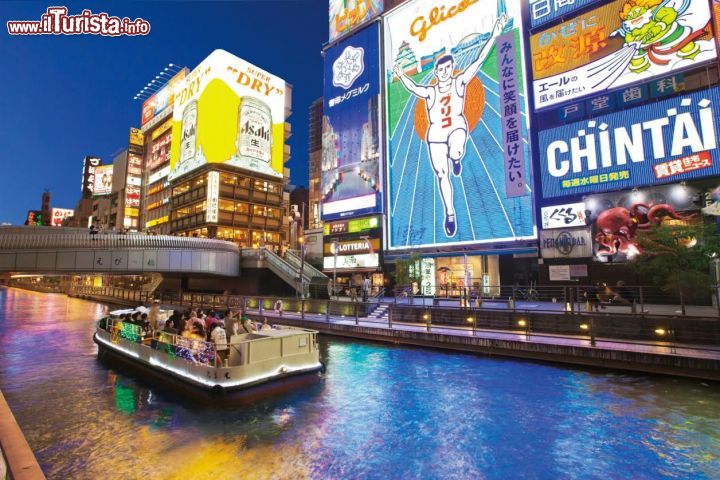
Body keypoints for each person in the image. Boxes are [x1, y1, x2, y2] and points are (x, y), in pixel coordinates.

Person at [393, 14, 507, 237]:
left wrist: (495, 34)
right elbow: (413, 87)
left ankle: (456, 158)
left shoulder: (459, 81)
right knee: (442, 175)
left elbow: (479, 61)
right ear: (436, 72)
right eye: (441, 69)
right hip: (435, 135)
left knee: (456, 149)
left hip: (456, 127)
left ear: (452, 68)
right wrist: (400, 74)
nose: (445, 72)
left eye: (448, 68)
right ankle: (450, 212)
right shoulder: (431, 91)